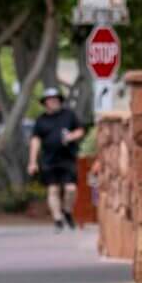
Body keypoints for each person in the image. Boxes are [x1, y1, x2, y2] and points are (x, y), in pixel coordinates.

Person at [28, 87, 87, 231]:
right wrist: (32, 162)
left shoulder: (69, 115)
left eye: (56, 99)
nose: (53, 101)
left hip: (67, 157)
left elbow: (80, 130)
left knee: (71, 189)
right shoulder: (41, 121)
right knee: (53, 190)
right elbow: (35, 141)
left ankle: (67, 210)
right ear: (45, 102)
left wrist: (71, 136)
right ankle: (57, 219)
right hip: (49, 159)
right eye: (50, 99)